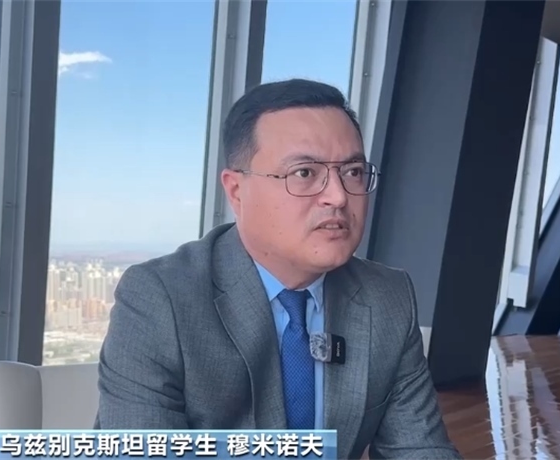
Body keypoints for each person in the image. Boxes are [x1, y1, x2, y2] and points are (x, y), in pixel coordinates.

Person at [95, 78, 461, 459]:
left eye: (352, 172)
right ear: (236, 191)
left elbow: (422, 449)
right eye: (304, 173)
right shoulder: (160, 300)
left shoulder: (387, 297)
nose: (338, 196)